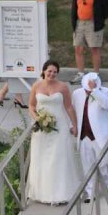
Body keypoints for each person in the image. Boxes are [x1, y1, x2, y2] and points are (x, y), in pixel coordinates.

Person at [27, 60, 79, 205]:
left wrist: (74, 125)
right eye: (49, 71)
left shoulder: (62, 87)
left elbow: (68, 107)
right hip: (41, 127)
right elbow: (31, 105)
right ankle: (42, 192)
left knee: (59, 158)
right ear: (44, 71)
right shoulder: (36, 86)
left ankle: (60, 193)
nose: (52, 74)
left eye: (55, 72)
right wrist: (37, 118)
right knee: (42, 157)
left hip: (60, 126)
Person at [73, 72, 108, 203]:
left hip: (100, 134)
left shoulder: (105, 92)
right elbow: (73, 110)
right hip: (84, 135)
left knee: (104, 163)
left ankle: (107, 184)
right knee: (87, 164)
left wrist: (95, 91)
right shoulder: (77, 94)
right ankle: (90, 193)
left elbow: (106, 104)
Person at [70, 0, 108, 85]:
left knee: (94, 49)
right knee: (78, 48)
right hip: (79, 23)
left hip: (93, 23)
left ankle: (96, 75)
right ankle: (81, 74)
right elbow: (75, 6)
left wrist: (98, 19)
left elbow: (107, 10)